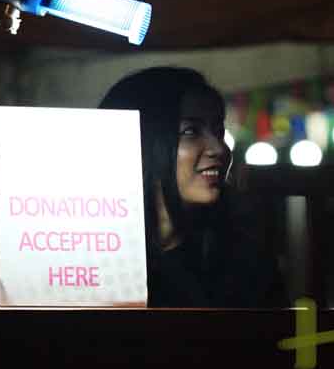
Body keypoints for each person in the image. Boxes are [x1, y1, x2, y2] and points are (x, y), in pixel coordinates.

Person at [99, 66, 287, 308]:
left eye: (218, 131)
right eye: (190, 132)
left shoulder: (246, 263)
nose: (218, 148)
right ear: (142, 140)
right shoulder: (93, 263)